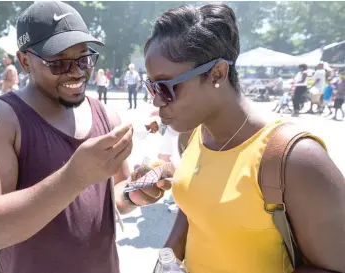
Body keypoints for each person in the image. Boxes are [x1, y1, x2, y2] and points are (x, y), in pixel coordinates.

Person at [0, 2, 171, 273]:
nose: (76, 71)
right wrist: (73, 178)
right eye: (58, 63)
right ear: (25, 61)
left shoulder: (106, 116)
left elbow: (116, 196)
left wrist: (136, 193)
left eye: (84, 58)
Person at [144, 4, 345, 273]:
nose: (156, 100)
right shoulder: (192, 135)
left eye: (165, 87)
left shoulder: (296, 159)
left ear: (217, 74)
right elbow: (193, 211)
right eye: (151, 87)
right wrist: (165, 261)